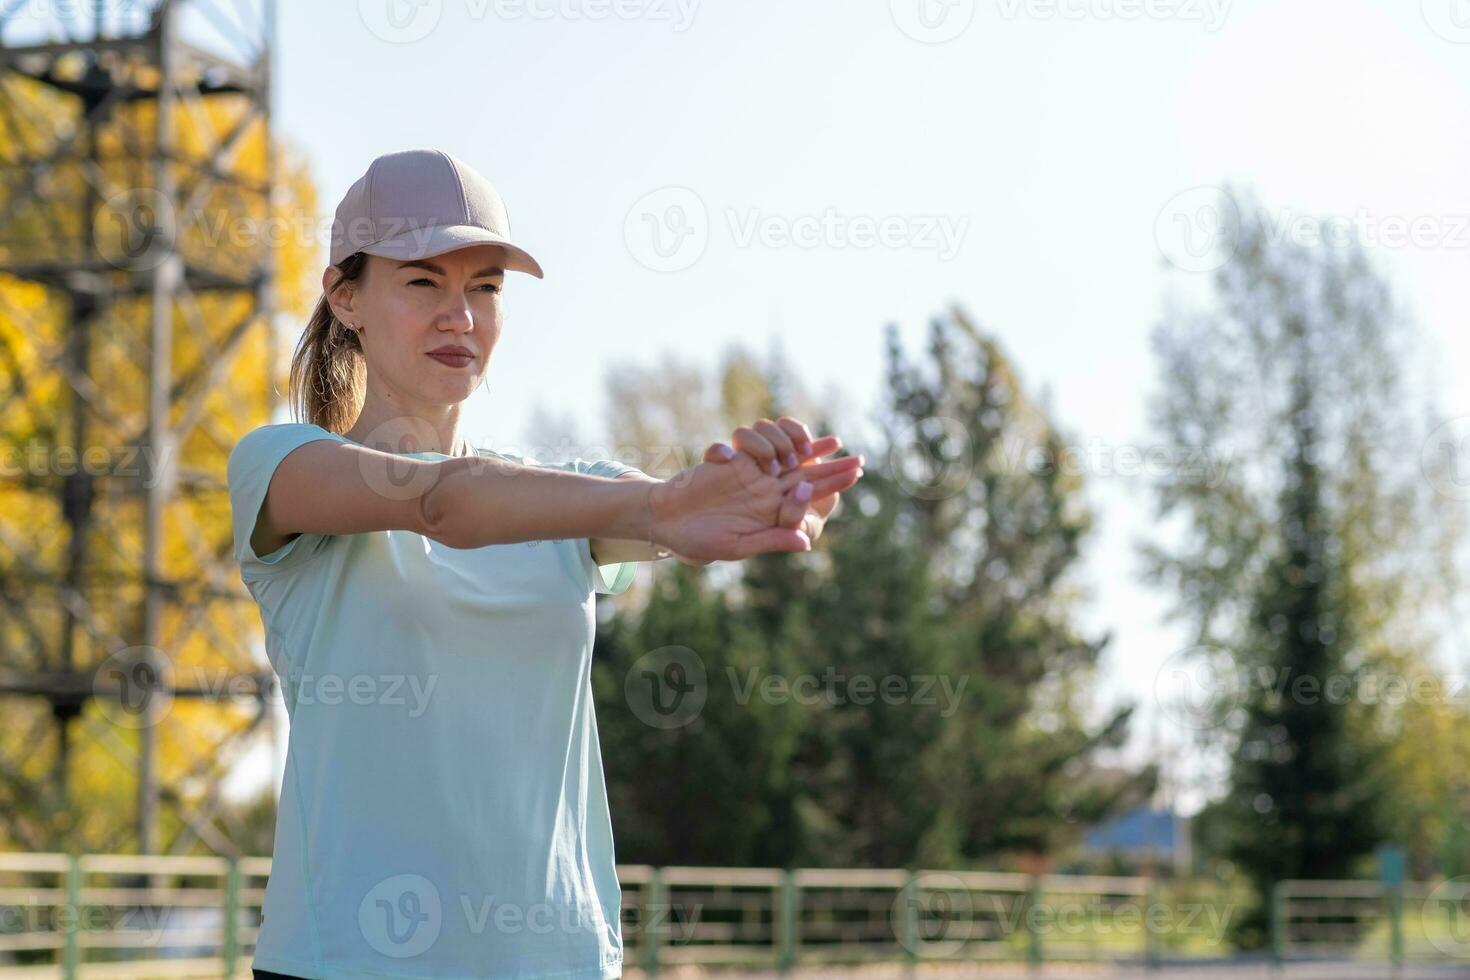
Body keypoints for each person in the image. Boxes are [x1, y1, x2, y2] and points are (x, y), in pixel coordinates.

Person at [228, 148, 863, 980]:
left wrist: (772, 494)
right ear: (345, 297)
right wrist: (664, 509)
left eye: (485, 287)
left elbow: (669, 504)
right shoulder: (282, 465)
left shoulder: (575, 501)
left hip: (558, 959)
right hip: (350, 960)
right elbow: (440, 501)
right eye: (423, 282)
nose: (460, 314)